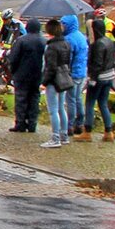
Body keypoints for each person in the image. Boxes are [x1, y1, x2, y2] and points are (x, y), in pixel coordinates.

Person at [7, 19, 46, 133]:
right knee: (34, 99)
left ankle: (20, 123)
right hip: (37, 75)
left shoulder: (21, 40)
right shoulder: (43, 41)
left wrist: (13, 72)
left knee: (21, 99)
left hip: (22, 75)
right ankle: (32, 124)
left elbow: (13, 58)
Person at [40, 19, 73, 148]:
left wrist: (44, 82)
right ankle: (64, 135)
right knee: (61, 108)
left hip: (53, 81)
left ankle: (55, 137)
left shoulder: (51, 47)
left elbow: (50, 68)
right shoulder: (66, 43)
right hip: (63, 78)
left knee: (53, 110)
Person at [86, 19, 115, 142]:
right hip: (109, 76)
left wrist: (92, 78)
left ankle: (87, 131)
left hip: (99, 77)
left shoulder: (98, 44)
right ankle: (108, 131)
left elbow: (97, 63)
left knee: (89, 103)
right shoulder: (108, 41)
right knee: (103, 103)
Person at [61, 15, 89, 140]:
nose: (61, 26)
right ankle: (80, 122)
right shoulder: (81, 36)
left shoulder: (69, 39)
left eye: (63, 24)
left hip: (73, 73)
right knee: (78, 98)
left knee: (71, 100)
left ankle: (69, 125)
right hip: (82, 72)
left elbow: (68, 57)